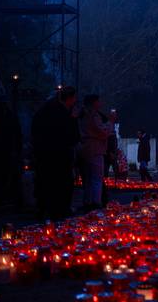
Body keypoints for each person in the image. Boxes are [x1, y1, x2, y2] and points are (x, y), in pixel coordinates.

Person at [31, 86, 79, 220]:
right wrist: (73, 119)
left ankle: (42, 209)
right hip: (59, 155)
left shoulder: (43, 111)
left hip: (43, 154)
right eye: (74, 98)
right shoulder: (63, 114)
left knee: (45, 183)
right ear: (69, 98)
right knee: (60, 185)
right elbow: (72, 136)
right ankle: (58, 212)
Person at [78, 95, 112, 210]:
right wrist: (110, 122)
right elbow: (103, 132)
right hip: (95, 148)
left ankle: (87, 201)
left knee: (87, 178)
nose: (100, 103)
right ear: (94, 103)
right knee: (97, 178)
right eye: (98, 101)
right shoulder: (93, 116)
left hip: (84, 148)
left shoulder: (81, 115)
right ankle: (95, 202)